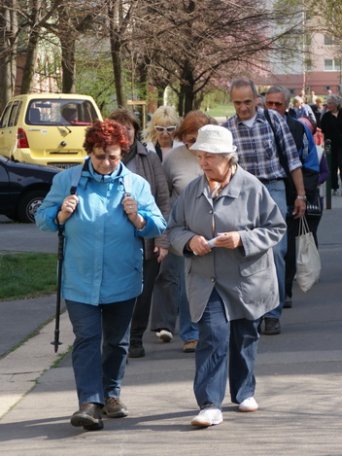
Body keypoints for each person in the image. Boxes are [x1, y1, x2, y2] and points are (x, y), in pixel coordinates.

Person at [35, 119, 166, 431]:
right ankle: (89, 403)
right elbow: (42, 219)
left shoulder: (136, 185)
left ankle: (111, 394)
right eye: (100, 156)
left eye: (114, 156)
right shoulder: (68, 181)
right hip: (79, 278)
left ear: (122, 153)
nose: (107, 163)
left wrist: (138, 218)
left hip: (123, 277)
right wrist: (60, 214)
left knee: (117, 342)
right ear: (89, 152)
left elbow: (159, 225)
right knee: (87, 338)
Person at [166, 125, 286, 427]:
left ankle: (244, 391)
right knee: (212, 336)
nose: (204, 162)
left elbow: (275, 228)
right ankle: (209, 403)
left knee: (244, 336)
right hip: (207, 280)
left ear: (228, 158)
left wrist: (242, 239)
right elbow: (174, 228)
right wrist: (188, 241)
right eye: (201, 156)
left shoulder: (252, 187)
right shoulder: (193, 190)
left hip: (246, 279)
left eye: (210, 157)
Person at [224, 77, 306, 336]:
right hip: (242, 192)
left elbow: (292, 160)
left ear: (256, 99)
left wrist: (301, 194)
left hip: (273, 188)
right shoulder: (227, 129)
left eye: (247, 101)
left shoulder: (273, 120)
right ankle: (252, 310)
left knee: (276, 251)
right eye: (238, 103)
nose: (243, 107)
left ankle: (273, 312)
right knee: (246, 253)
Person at [107, 109, 171, 359]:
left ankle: (135, 338)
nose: (125, 132)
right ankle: (116, 338)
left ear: (136, 130)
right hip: (114, 240)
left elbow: (163, 200)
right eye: (119, 128)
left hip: (146, 238)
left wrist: (162, 239)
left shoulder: (149, 158)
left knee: (143, 295)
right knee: (117, 293)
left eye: (129, 128)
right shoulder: (104, 158)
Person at [149, 111, 211, 353]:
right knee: (187, 286)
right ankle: (191, 334)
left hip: (214, 228)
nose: (191, 144)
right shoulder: (174, 159)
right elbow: (164, 196)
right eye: (187, 138)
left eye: (196, 139)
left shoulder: (219, 154)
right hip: (183, 230)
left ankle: (214, 329)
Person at [265, 86, 321, 309]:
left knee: (284, 247)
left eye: (277, 104)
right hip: (261, 195)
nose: (273, 108)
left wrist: (302, 194)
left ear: (286, 106)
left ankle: (284, 290)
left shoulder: (297, 128)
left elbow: (310, 163)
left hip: (289, 195)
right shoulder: (256, 127)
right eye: (269, 103)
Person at [318, 94, 342, 196]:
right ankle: (334, 187)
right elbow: (322, 128)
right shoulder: (326, 116)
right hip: (329, 143)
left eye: (331, 103)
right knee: (331, 166)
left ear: (336, 104)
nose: (328, 105)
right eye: (328, 103)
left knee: (341, 164)